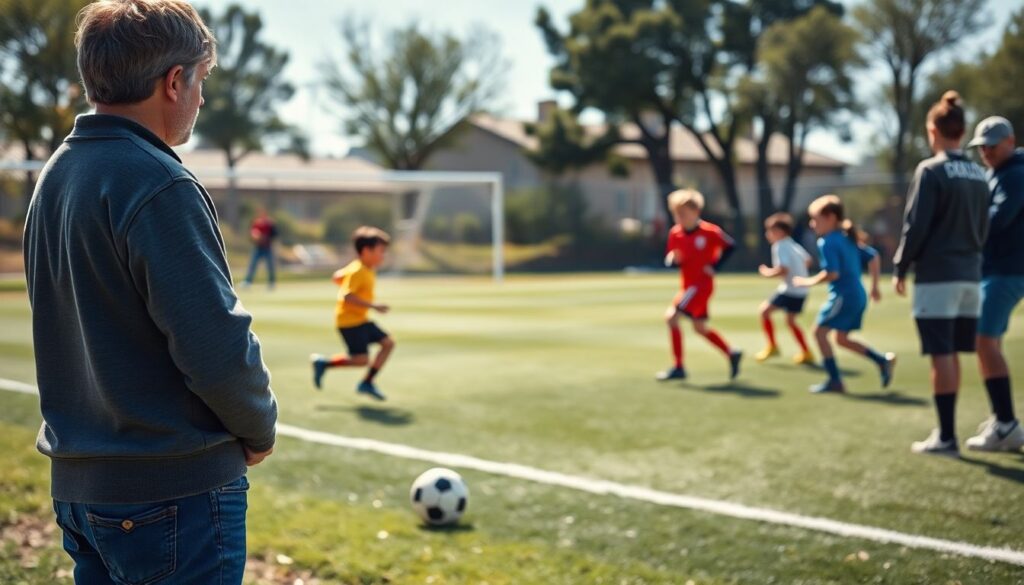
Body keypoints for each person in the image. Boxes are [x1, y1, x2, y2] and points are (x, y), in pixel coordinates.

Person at [22, 2, 277, 583]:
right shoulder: (157, 179)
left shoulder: (58, 173)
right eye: (201, 81)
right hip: (171, 494)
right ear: (173, 81)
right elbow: (214, 343)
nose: (202, 99)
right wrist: (258, 426)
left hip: (83, 490)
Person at [892, 91, 991, 457]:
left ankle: (946, 437)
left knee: (941, 355)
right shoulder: (979, 174)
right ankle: (949, 432)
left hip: (938, 276)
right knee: (952, 354)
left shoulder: (930, 170)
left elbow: (915, 225)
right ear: (962, 132)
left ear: (932, 130)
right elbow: (985, 226)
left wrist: (901, 266)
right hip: (970, 275)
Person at [963, 115, 1024, 452]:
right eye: (981, 146)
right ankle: (1002, 420)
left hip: (1007, 270)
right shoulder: (1000, 173)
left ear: (1010, 141)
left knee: (984, 341)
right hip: (1002, 268)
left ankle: (1006, 424)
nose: (985, 151)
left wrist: (963, 224)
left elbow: (998, 220)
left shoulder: (1014, 175)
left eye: (992, 144)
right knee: (989, 341)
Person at [794, 195, 896, 394]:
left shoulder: (828, 242)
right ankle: (882, 360)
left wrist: (807, 281)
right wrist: (874, 287)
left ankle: (835, 381)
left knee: (819, 333)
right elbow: (873, 257)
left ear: (831, 217)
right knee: (841, 339)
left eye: (816, 219)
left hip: (844, 296)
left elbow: (833, 273)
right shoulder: (846, 238)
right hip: (858, 295)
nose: (812, 224)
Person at [657, 189, 743, 381]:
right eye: (676, 214)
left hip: (701, 286)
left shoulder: (710, 231)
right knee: (699, 328)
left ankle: (679, 367)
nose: (679, 217)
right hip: (687, 286)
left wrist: (715, 267)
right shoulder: (675, 233)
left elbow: (731, 246)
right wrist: (672, 260)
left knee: (672, 318)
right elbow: (673, 258)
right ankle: (731, 352)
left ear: (696, 211)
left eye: (683, 213)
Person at [311, 226, 395, 400]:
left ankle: (367, 382)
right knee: (361, 360)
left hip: (360, 320)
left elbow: (336, 276)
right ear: (366, 251)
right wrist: (373, 306)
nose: (383, 255)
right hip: (350, 322)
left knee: (388, 343)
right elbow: (346, 295)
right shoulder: (358, 271)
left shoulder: (362, 267)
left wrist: (343, 278)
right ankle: (324, 363)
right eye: (381, 251)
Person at [756, 212, 815, 365]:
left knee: (764, 312)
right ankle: (806, 352)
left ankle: (773, 346)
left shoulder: (780, 246)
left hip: (790, 290)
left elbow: (783, 269)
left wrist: (767, 273)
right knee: (791, 321)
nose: (768, 234)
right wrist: (800, 273)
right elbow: (808, 260)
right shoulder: (792, 243)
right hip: (801, 291)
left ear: (780, 232)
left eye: (771, 230)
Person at [242, 207, 278, 289]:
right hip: (258, 247)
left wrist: (265, 238)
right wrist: (255, 238)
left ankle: (271, 283)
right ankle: (248, 282)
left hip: (267, 247)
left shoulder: (270, 224)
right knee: (252, 265)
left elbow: (275, 235)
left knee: (270, 266)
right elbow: (251, 234)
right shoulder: (255, 223)